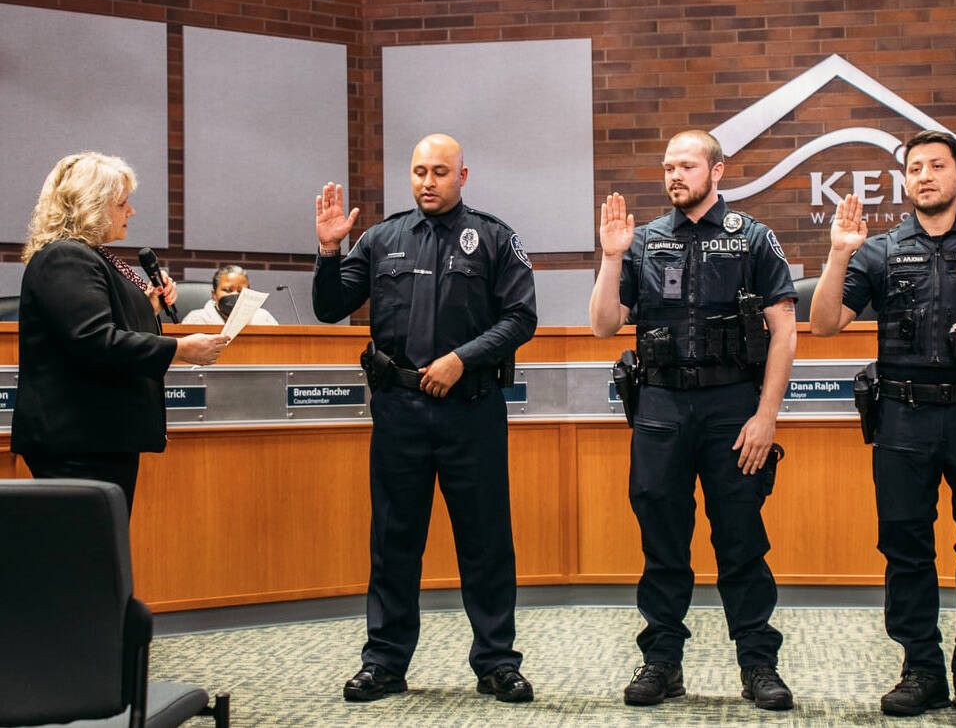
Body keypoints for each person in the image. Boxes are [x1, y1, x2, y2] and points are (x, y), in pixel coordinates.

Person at [809, 130, 956, 720]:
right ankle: (921, 669)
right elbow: (822, 324)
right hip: (903, 421)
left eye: (937, 166)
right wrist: (840, 252)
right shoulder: (881, 251)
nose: (925, 176)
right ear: (906, 181)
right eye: (914, 168)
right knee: (906, 552)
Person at [312, 134, 538, 704]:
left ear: (463, 176)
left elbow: (521, 318)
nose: (427, 181)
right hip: (399, 412)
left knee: (485, 540)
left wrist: (462, 359)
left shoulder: (493, 237)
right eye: (418, 171)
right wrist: (328, 251)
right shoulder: (381, 238)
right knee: (393, 540)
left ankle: (496, 662)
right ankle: (384, 662)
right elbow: (329, 307)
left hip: (470, 410)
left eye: (440, 171)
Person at [589, 130, 798, 711]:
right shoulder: (644, 240)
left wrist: (766, 417)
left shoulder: (753, 238)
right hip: (660, 407)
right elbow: (604, 325)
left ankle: (758, 664)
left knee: (741, 541)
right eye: (667, 167)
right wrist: (610, 257)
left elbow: (785, 332)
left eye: (686, 166)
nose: (674, 175)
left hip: (732, 406)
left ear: (718, 171)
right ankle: (662, 662)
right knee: (661, 543)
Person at [11, 152, 230, 514]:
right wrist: (179, 349)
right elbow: (95, 341)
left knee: (96, 552)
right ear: (92, 205)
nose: (131, 212)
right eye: (122, 203)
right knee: (84, 555)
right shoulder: (66, 257)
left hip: (97, 436)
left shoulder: (88, 256)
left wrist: (148, 307)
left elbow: (104, 325)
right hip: (78, 440)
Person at [180, 264, 279, 324]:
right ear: (214, 295)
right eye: (227, 290)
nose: (235, 294)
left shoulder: (263, 317)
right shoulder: (197, 319)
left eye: (241, 291)